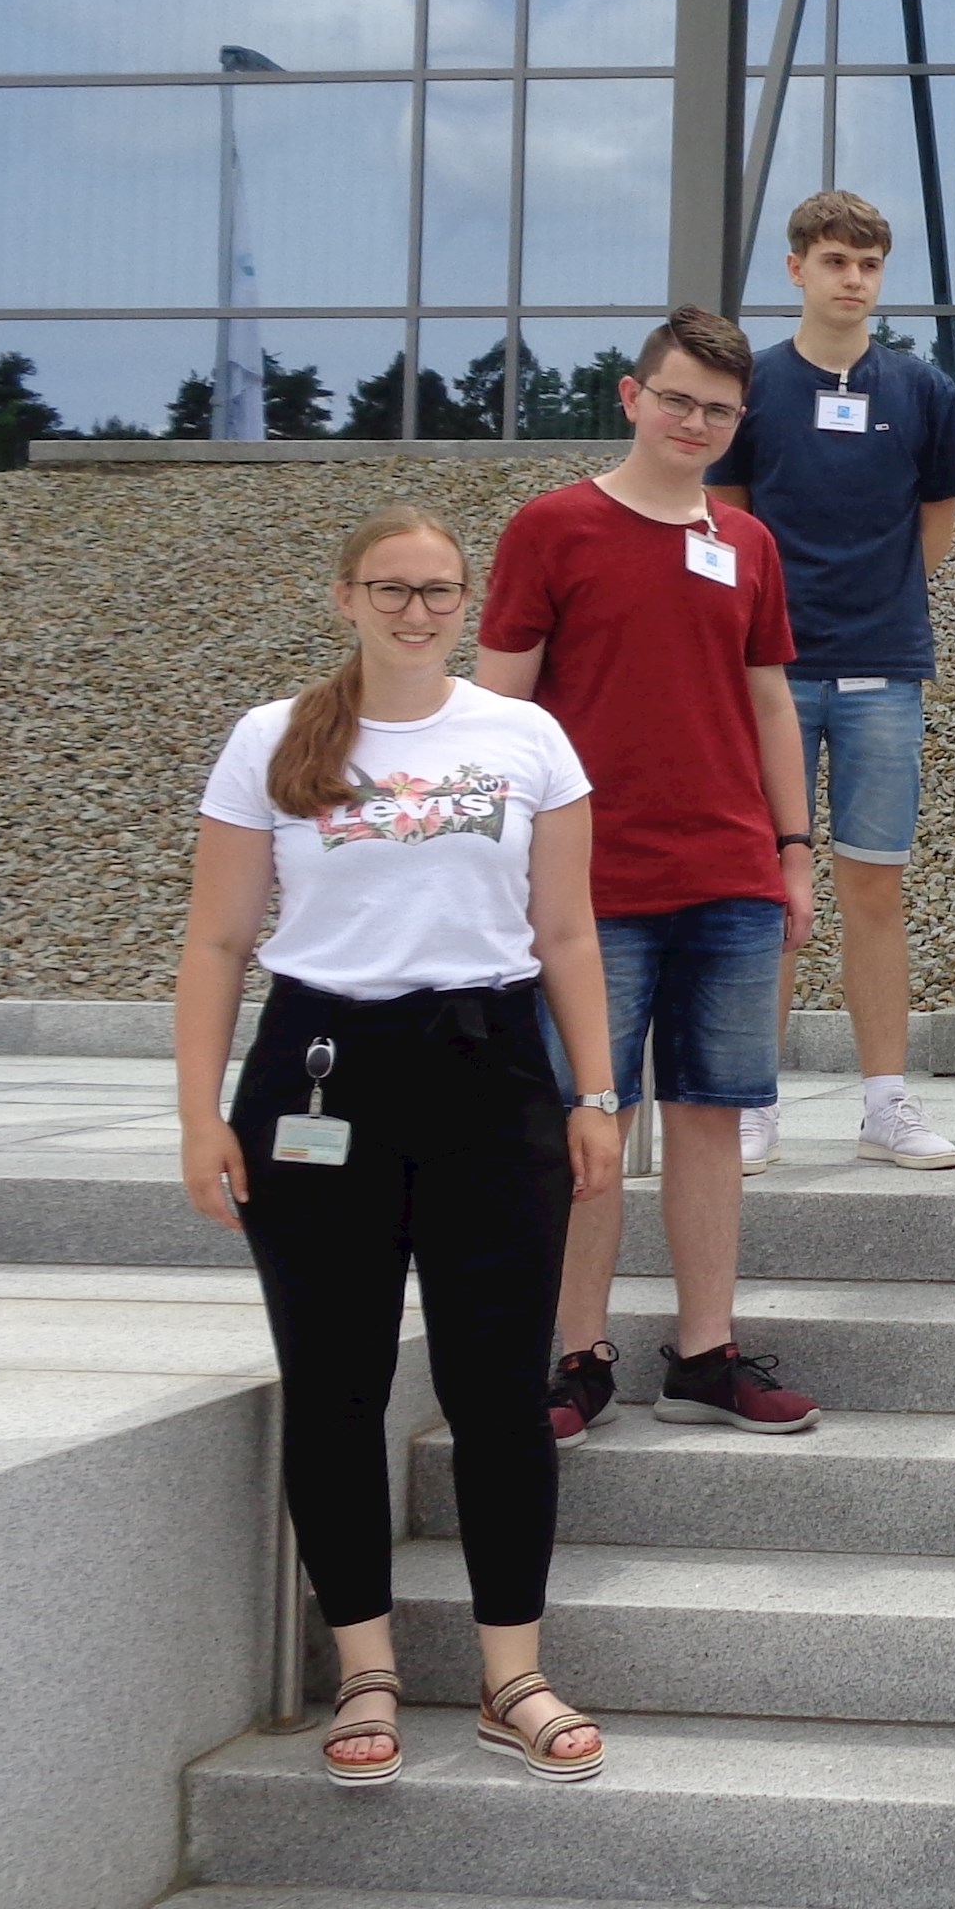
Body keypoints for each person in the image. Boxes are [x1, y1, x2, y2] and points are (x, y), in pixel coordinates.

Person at [177, 504, 619, 1787]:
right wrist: (200, 1113)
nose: (415, 612)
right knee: (336, 1385)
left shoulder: (524, 736)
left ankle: (510, 1674)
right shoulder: (271, 741)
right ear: (344, 597)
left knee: (498, 1395)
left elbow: (571, 937)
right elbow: (215, 944)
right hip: (321, 1079)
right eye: (391, 589)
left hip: (491, 1082)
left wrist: (594, 1096)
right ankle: (363, 1669)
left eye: (438, 592)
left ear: (465, 602)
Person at [477, 307, 824, 1442]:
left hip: (728, 873)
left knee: (714, 1116)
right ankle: (574, 1355)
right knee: (593, 1118)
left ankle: (706, 1350)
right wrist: (499, 865)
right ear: (632, 397)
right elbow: (498, 707)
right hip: (591, 888)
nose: (694, 422)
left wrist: (794, 851)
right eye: (677, 399)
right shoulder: (554, 528)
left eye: (718, 410)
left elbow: (772, 703)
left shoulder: (749, 544)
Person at [709, 188, 955, 1175]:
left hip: (882, 671)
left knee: (875, 888)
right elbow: (729, 514)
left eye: (867, 264)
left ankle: (885, 1104)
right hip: (768, 676)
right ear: (796, 270)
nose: (852, 280)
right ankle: (750, 1103)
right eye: (833, 262)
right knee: (763, 891)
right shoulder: (753, 385)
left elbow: (937, 520)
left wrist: (880, 606)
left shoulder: (920, 388)